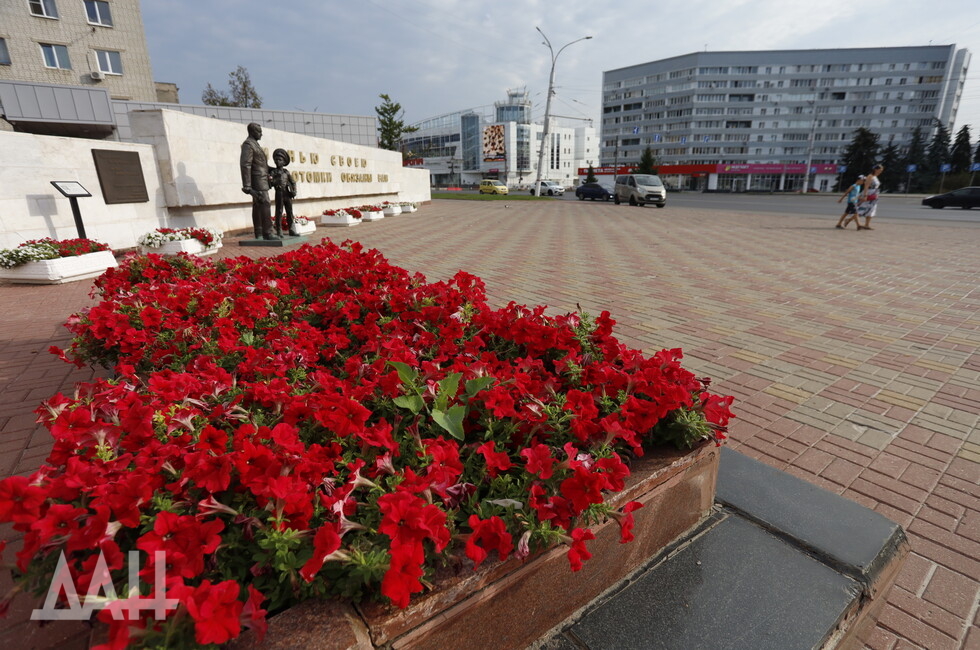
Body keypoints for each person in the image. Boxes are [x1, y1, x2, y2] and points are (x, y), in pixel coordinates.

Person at [240, 123, 275, 240]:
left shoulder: (256, 145)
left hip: (262, 178)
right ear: (252, 132)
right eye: (259, 131)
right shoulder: (248, 144)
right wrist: (247, 186)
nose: (261, 134)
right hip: (257, 179)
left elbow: (261, 165)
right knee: (265, 203)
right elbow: (246, 164)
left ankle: (259, 232)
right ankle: (268, 232)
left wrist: (273, 169)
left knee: (258, 205)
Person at [269, 148, 299, 237]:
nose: (278, 161)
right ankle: (279, 230)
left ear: (284, 162)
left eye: (280, 160)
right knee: (279, 212)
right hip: (279, 193)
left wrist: (294, 191)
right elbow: (271, 183)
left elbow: (293, 182)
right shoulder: (273, 172)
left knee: (289, 212)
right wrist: (271, 180)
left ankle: (291, 229)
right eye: (276, 160)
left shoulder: (286, 172)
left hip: (287, 194)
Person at [857, 164, 884, 231]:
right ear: (875, 169)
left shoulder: (875, 177)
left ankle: (867, 225)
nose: (880, 172)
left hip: (874, 195)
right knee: (861, 209)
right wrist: (865, 196)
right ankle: (848, 220)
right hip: (869, 194)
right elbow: (866, 186)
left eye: (881, 171)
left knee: (871, 209)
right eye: (879, 170)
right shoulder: (870, 176)